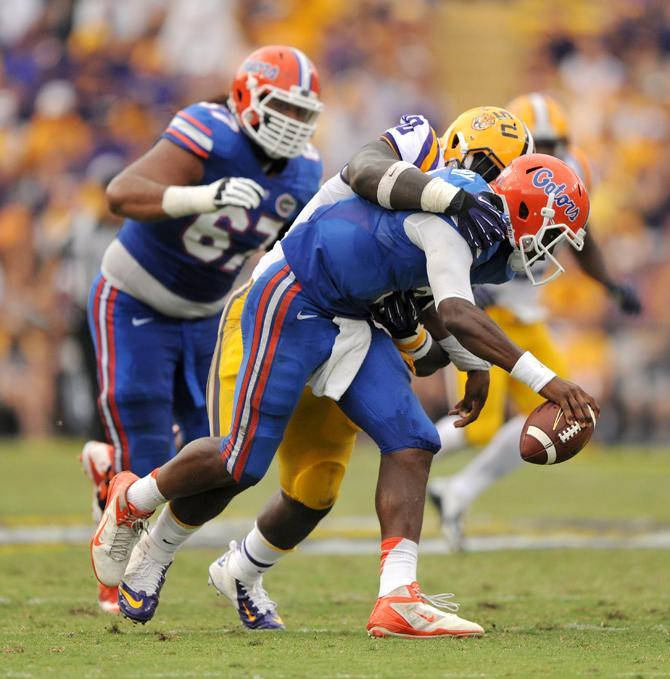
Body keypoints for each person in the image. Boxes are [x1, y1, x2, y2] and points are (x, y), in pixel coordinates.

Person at [90, 151, 600, 638]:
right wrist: (548, 381)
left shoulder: (486, 228)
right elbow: (457, 311)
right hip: (296, 295)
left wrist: (472, 366)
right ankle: (133, 498)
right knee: (239, 461)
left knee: (414, 440)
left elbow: (431, 298)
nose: (552, 251)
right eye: (553, 236)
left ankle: (398, 596)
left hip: (354, 315)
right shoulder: (462, 210)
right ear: (529, 210)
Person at [80, 44, 325, 613]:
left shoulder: (306, 169)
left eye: (301, 114)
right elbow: (120, 193)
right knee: (142, 427)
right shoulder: (208, 130)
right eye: (280, 109)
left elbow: (293, 254)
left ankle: (108, 475)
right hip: (134, 296)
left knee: (211, 451)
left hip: (210, 314)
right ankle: (116, 579)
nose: (292, 126)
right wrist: (200, 196)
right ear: (246, 98)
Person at [427, 94, 641, 550]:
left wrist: (611, 286)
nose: (547, 151)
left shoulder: (575, 171)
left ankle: (457, 490)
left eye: (554, 142)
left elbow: (581, 238)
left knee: (554, 414)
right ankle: (404, 450)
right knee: (480, 426)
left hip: (528, 309)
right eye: (538, 141)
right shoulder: (491, 177)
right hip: (483, 309)